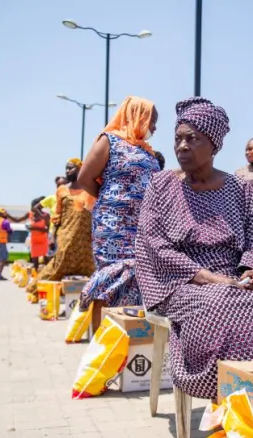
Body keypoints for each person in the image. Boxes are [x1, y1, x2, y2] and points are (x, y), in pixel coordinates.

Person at [136, 97, 253, 400]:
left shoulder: (238, 188)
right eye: (178, 138)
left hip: (233, 276)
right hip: (179, 281)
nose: (182, 146)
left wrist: (252, 271)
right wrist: (210, 279)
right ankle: (224, 389)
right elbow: (155, 245)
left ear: (214, 145)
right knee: (218, 304)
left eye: (193, 139)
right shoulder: (161, 185)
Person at [77, 96, 160, 330]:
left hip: (141, 226)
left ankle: (124, 340)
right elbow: (84, 178)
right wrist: (112, 201)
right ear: (137, 116)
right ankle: (99, 340)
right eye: (151, 120)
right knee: (112, 276)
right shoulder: (109, 141)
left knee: (134, 277)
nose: (154, 127)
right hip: (113, 225)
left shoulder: (146, 150)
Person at [27, 159, 95, 294]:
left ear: (80, 170)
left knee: (89, 268)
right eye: (67, 169)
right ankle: (37, 288)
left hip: (85, 238)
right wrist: (52, 237)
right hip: (66, 235)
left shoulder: (89, 189)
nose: (68, 171)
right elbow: (57, 215)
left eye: (71, 168)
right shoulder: (62, 190)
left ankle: (86, 295)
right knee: (58, 265)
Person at [0, 208, 26, 280]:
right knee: (3, 258)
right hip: (1, 242)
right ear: (2, 214)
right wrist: (11, 231)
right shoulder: (5, 222)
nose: (5, 214)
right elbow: (9, 231)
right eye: (4, 213)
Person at [27, 197, 50, 268]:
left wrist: (34, 228)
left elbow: (47, 230)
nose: (31, 208)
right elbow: (17, 220)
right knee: (35, 261)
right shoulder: (30, 214)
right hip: (34, 240)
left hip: (43, 240)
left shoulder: (45, 216)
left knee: (46, 259)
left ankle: (48, 275)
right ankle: (35, 277)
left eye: (32, 206)